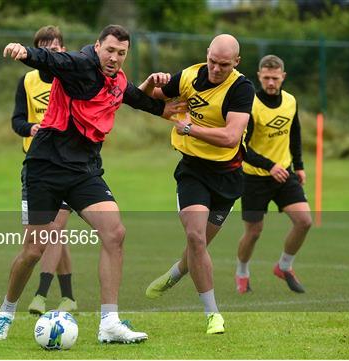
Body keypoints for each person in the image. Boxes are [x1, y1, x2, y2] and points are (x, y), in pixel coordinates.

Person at [0, 24, 183, 343]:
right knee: (34, 250)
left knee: (114, 233)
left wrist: (164, 110)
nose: (114, 58)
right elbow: (53, 61)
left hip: (84, 171)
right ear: (97, 46)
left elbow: (134, 96)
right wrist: (25, 53)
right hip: (45, 167)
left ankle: (109, 323)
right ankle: (5, 313)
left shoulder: (116, 79)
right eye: (109, 50)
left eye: (121, 53)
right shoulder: (80, 64)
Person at [140, 34, 255, 335]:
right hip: (192, 169)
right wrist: (154, 82)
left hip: (227, 176)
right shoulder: (188, 76)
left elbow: (231, 137)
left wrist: (191, 127)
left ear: (237, 62)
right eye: (213, 62)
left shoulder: (241, 88)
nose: (217, 69)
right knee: (196, 238)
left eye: (225, 65)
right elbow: (151, 99)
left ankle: (177, 272)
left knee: (200, 243)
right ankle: (212, 314)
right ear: (207, 54)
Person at [10, 25, 77, 314]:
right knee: (41, 238)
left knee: (55, 231)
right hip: (35, 166)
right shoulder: (27, 81)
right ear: (35, 52)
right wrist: (31, 128)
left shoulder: (73, 78)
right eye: (44, 49)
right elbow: (17, 121)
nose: (51, 53)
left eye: (55, 48)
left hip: (67, 165)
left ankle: (41, 293)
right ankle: (69, 297)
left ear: (63, 49)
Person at [234, 55, 312, 294]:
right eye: (266, 77)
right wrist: (269, 165)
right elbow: (241, 147)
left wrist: (298, 165)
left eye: (275, 78)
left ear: (283, 77)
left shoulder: (290, 101)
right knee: (254, 232)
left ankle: (284, 266)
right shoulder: (250, 104)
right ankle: (242, 272)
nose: (270, 82)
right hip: (254, 177)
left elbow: (294, 133)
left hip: (284, 173)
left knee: (304, 221)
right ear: (259, 76)